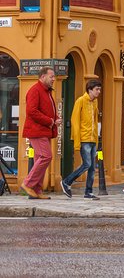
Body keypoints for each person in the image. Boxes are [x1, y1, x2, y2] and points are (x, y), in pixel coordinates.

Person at [22, 66, 61, 200]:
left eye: (54, 77)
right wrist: (50, 121)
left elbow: (45, 110)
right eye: (51, 76)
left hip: (44, 130)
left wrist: (55, 119)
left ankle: (36, 190)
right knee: (46, 156)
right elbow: (31, 111)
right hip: (37, 130)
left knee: (41, 159)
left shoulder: (46, 91)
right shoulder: (35, 90)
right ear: (42, 76)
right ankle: (28, 183)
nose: (54, 79)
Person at [61, 79, 102, 199]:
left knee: (92, 167)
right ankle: (66, 182)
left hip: (93, 138)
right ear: (90, 90)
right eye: (97, 89)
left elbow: (95, 120)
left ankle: (88, 192)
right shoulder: (80, 101)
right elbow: (75, 121)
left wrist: (97, 137)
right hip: (84, 138)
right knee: (87, 164)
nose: (99, 92)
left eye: (99, 89)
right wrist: (77, 142)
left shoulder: (95, 102)